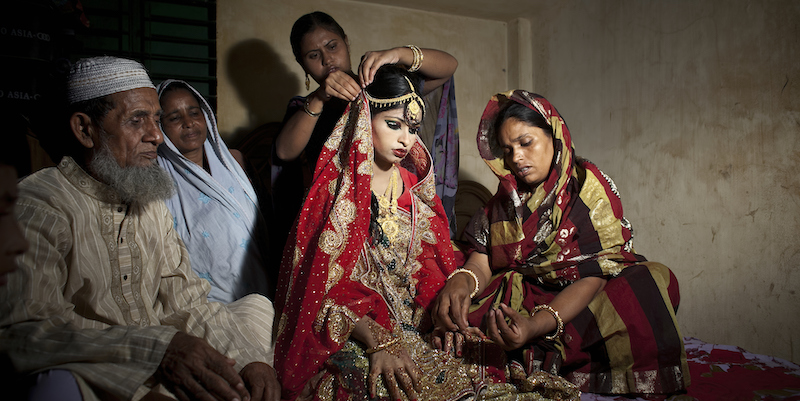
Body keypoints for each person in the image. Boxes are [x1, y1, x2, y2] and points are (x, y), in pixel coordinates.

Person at [273, 66, 580, 401]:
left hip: (416, 326)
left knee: (479, 364)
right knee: (377, 384)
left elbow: (432, 269)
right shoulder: (332, 193)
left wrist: (441, 319)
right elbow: (315, 293)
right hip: (357, 330)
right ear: (363, 118)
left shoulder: (416, 192)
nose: (406, 139)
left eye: (413, 128)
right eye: (394, 125)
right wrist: (378, 339)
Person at [0, 56, 279, 401]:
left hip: (167, 357)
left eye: (157, 120)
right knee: (55, 384)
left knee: (256, 308)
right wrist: (157, 350)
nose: (157, 136)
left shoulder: (148, 202)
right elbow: (23, 334)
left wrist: (250, 360)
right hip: (101, 369)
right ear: (85, 129)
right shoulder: (37, 205)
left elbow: (186, 300)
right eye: (137, 121)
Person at [432, 90, 691, 395]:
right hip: (522, 296)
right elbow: (483, 258)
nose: (516, 157)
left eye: (526, 143)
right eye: (507, 149)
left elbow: (595, 273)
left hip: (576, 302)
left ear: (554, 137)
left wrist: (536, 324)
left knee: (653, 281)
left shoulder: (587, 190)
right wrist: (463, 281)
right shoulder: (504, 201)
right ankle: (522, 347)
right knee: (446, 286)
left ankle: (537, 347)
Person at [270, 11, 459, 263]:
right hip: (336, 219)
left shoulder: (377, 87)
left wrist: (399, 54)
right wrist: (319, 97)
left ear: (346, 42)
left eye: (332, 46)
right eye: (314, 55)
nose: (327, 59)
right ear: (301, 63)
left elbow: (448, 67)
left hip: (391, 206)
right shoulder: (305, 107)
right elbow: (284, 152)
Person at [156, 79, 272, 302]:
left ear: (206, 117)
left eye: (194, 113)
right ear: (160, 127)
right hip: (210, 302)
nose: (189, 123)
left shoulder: (233, 163)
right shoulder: (159, 184)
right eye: (174, 118)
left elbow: (264, 225)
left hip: (263, 288)